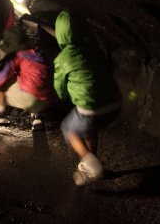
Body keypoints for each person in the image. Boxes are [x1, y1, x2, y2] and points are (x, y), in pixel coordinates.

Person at [53, 10, 121, 186]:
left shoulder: (62, 59)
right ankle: (93, 161)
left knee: (69, 128)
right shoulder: (95, 50)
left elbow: (60, 91)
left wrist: (66, 94)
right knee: (90, 129)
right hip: (115, 104)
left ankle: (91, 163)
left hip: (90, 108)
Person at [0, 25, 58, 130]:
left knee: (4, 80)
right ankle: (36, 116)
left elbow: (1, 77)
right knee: (33, 79)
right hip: (46, 100)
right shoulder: (41, 53)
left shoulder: (18, 56)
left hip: (28, 98)